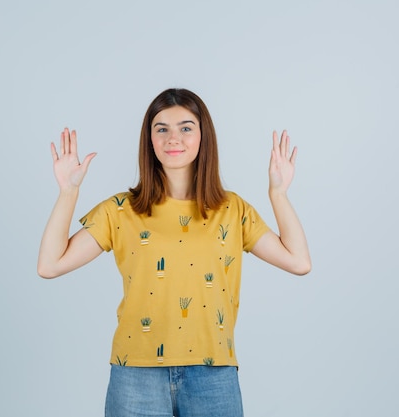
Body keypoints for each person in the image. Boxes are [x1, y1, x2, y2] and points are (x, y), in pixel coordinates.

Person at [37, 88, 311, 417]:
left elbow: (298, 261)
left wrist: (278, 193)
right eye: (161, 129)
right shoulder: (121, 210)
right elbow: (50, 264)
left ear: (202, 136)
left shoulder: (231, 209)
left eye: (185, 127)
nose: (173, 138)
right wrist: (68, 191)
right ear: (149, 140)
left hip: (213, 374)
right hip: (136, 375)